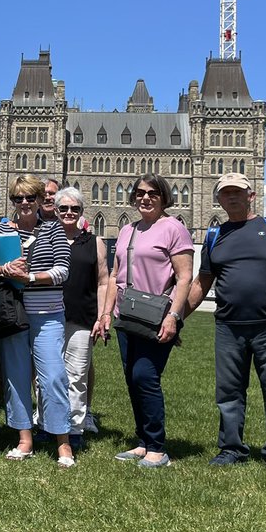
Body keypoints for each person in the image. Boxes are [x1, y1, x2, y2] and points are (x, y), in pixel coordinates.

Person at [185, 173, 266, 480]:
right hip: (229, 328)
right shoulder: (215, 237)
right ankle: (231, 448)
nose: (232, 197)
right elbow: (202, 283)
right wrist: (176, 317)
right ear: (218, 199)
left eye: (237, 192)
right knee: (228, 393)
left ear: (251, 195)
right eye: (225, 193)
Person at [99, 174, 194, 469]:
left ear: (164, 196)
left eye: (153, 193)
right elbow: (116, 276)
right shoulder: (128, 230)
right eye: (140, 193)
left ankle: (157, 447)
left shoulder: (174, 228)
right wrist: (105, 312)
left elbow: (185, 277)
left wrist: (174, 317)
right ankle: (142, 441)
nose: (145, 198)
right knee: (132, 379)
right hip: (127, 315)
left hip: (156, 317)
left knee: (145, 377)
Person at [0, 174, 75, 467]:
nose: (25, 203)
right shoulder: (2, 229)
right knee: (16, 377)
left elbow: (62, 270)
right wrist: (5, 269)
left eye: (31, 198)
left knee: (53, 376)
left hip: (48, 312)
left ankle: (62, 442)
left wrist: (28, 277)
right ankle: (24, 439)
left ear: (41, 200)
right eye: (18, 198)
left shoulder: (53, 230)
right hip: (14, 312)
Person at [54, 187, 107, 448]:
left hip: (82, 319)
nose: (68, 212)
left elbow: (103, 282)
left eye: (74, 208)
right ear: (55, 211)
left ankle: (74, 429)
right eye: (63, 208)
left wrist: (102, 315)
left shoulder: (94, 242)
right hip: (48, 318)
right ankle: (46, 424)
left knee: (77, 376)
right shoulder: (45, 239)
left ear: (81, 212)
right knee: (48, 376)